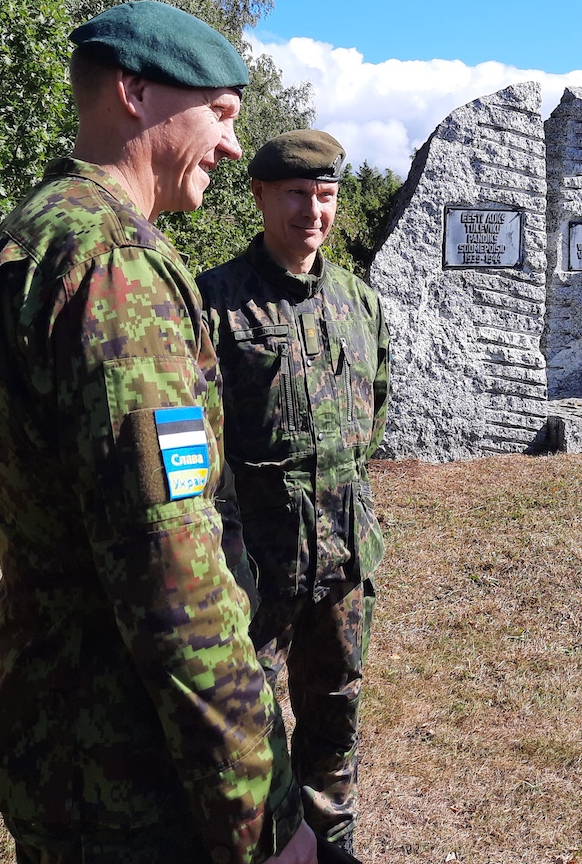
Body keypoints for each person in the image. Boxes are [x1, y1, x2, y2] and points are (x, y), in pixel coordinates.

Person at [0, 0, 317, 864]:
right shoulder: (115, 263)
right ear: (135, 92)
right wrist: (261, 813)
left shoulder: (23, 239)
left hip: (56, 745)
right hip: (132, 776)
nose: (233, 147)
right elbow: (175, 578)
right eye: (221, 114)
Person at [197, 130, 389, 855]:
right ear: (261, 196)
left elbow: (372, 416)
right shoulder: (215, 303)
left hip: (342, 560)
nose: (314, 211)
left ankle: (334, 840)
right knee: (247, 722)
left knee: (336, 708)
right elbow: (199, 453)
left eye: (327, 196)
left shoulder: (359, 302)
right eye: (297, 195)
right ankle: (268, 846)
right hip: (256, 570)